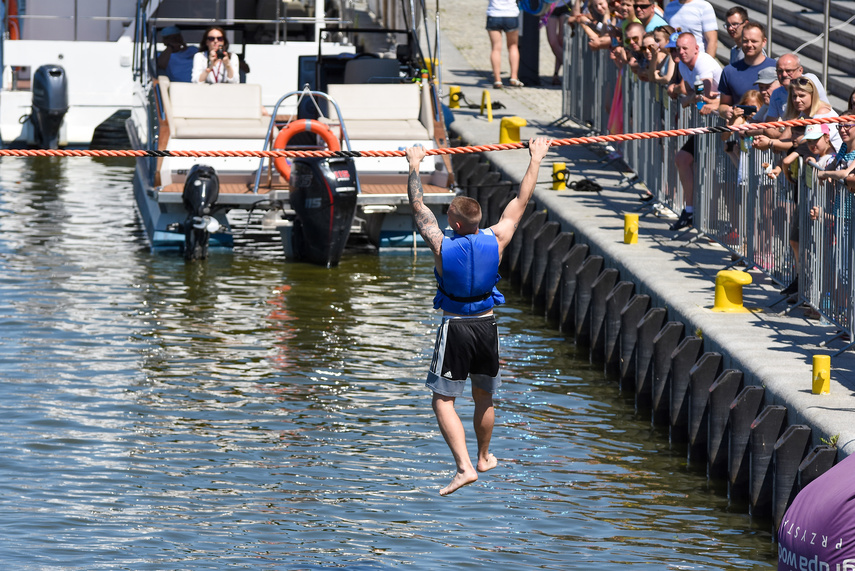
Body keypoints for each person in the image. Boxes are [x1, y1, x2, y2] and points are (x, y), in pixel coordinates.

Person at [405, 138, 550, 496]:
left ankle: (464, 466)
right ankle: (484, 457)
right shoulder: (497, 237)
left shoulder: (442, 245)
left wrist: (414, 163)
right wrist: (536, 157)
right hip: (487, 326)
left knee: (442, 400)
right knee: (484, 397)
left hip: (455, 328)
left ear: (453, 222)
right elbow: (521, 201)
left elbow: (417, 206)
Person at [669, 31, 722, 231]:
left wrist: (691, 99)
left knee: (719, 175)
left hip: (721, 124)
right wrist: (692, 98)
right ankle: (689, 211)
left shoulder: (703, 64)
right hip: (707, 122)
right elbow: (694, 95)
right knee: (682, 158)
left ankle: (716, 223)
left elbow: (704, 97)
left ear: (696, 49)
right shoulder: (682, 64)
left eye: (685, 48)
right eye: (678, 49)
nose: (681, 52)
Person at [715, 21, 776, 120]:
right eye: (745, 41)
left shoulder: (777, 68)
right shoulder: (729, 71)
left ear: (764, 42)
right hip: (739, 131)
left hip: (769, 131)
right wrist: (727, 111)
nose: (749, 44)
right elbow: (723, 105)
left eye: (754, 41)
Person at [486, 0, 523, 88]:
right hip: (511, 14)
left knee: (496, 48)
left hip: (494, 13)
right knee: (513, 46)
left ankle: (497, 80)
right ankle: (514, 77)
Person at [546, 0, 573, 85]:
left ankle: (556, 74)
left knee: (562, 42)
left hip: (564, 5)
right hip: (548, 6)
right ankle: (570, 68)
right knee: (553, 42)